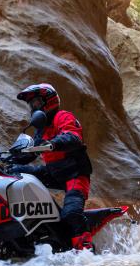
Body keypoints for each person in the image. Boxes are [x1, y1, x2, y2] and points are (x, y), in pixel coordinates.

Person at [13, 83, 94, 250]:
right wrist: (11, 158)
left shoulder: (62, 116)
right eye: (31, 104)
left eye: (36, 103)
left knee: (71, 213)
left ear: (48, 101)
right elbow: (30, 154)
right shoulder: (41, 129)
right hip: (54, 173)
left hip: (75, 173)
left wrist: (53, 143)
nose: (33, 107)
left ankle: (85, 249)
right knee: (15, 172)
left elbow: (73, 136)